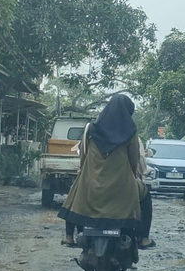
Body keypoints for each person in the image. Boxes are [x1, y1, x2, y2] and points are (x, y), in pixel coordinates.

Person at [58, 94, 155, 249]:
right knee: (145, 196)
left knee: (74, 193)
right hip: (121, 188)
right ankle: (144, 238)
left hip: (93, 186)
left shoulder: (90, 128)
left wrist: (86, 173)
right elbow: (134, 160)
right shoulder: (130, 131)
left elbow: (83, 156)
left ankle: (69, 236)